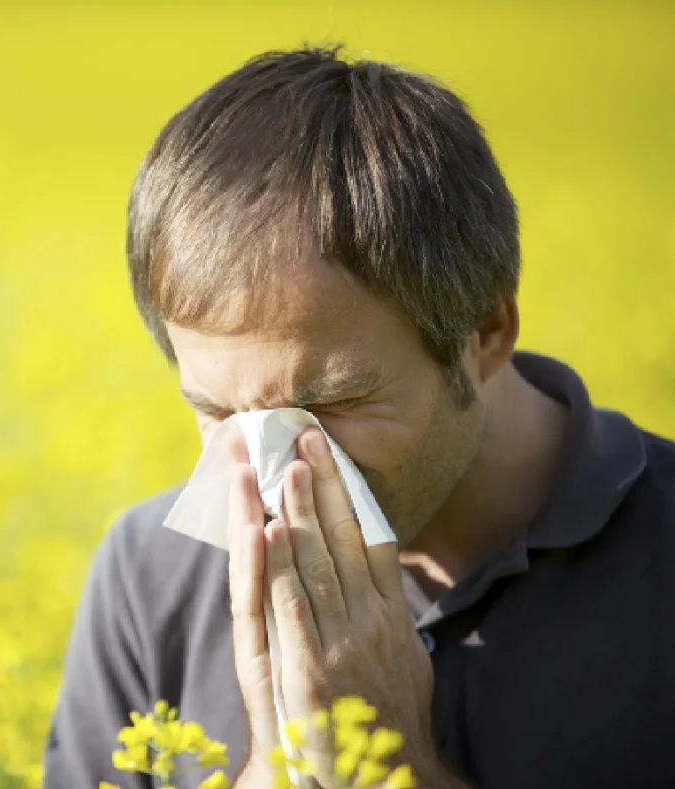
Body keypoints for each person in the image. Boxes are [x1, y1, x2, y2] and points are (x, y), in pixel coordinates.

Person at [43, 47, 675, 789]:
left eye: (334, 403)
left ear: (485, 332)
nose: (275, 475)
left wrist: (394, 767)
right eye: (216, 411)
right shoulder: (148, 575)